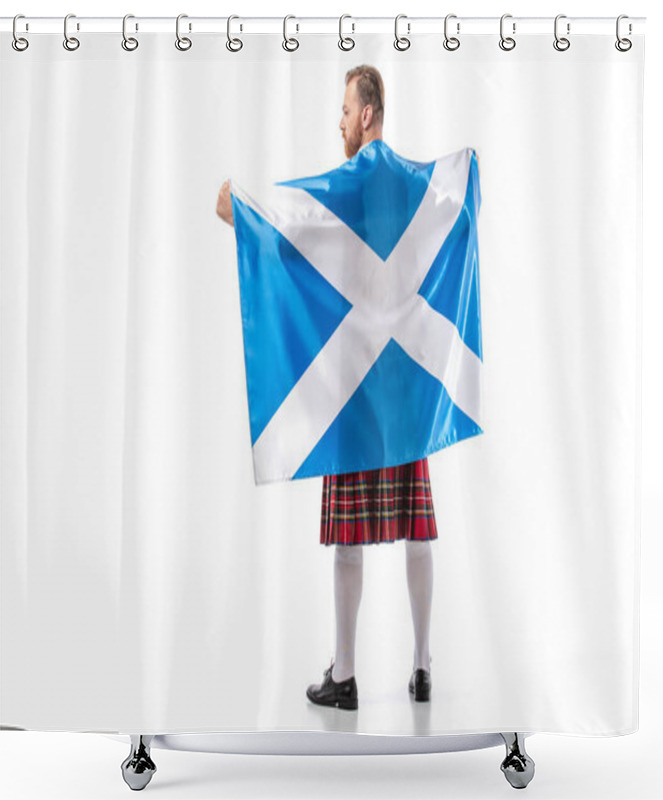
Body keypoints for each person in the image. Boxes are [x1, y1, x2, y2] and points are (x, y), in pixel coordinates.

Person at [217, 64, 479, 711]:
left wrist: (235, 206)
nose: (337, 122)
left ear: (367, 113)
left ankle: (345, 673)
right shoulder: (419, 187)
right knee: (419, 533)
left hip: (354, 396)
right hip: (408, 393)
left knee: (349, 545)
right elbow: (460, 212)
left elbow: (279, 233)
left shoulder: (341, 189)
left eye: (342, 110)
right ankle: (422, 668)